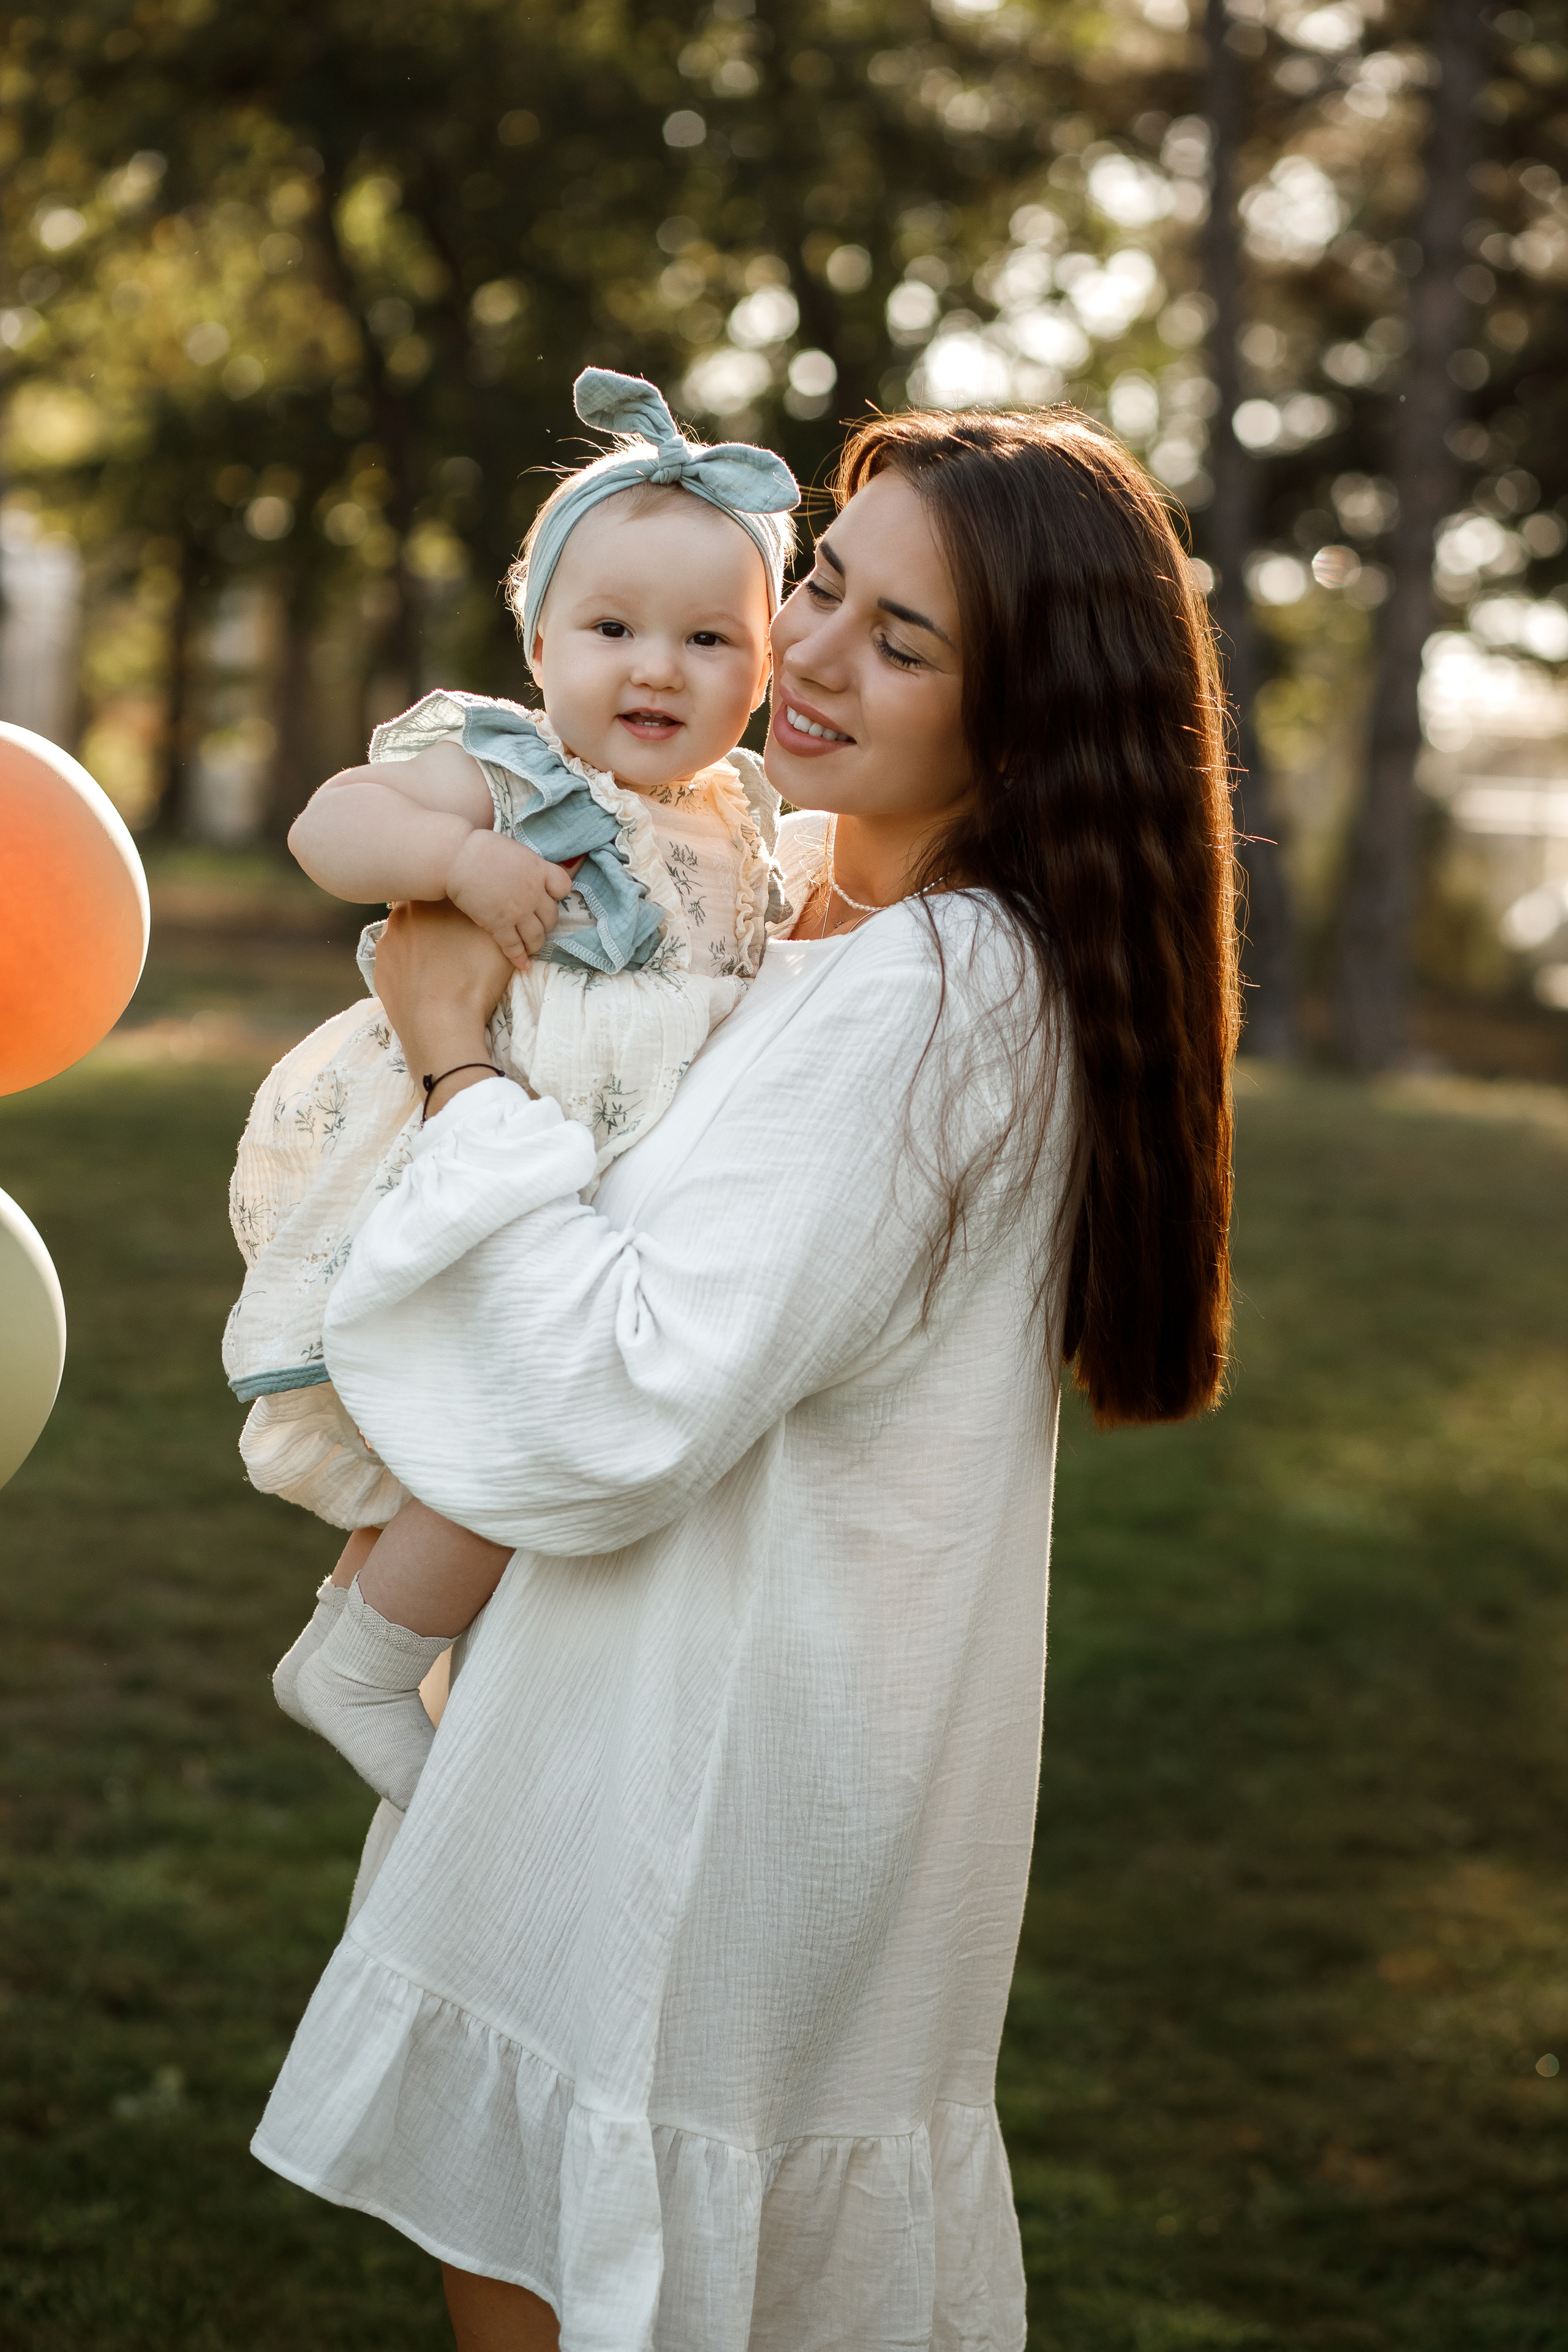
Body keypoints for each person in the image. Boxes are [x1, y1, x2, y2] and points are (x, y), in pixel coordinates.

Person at [251, 404, 1238, 2352]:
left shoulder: (941, 996)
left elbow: (626, 1392)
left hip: (710, 1791)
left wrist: (454, 1065)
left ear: (1026, 708)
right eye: (823, 589)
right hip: (632, 1716)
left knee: (593, 2271)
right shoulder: (795, 919)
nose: (816, 658)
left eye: (909, 640)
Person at [221, 370, 799, 1811]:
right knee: (509, 1427)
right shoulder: (519, 778)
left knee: (468, 1432)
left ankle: (356, 1637)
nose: (654, 669)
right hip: (473, 1151)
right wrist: (456, 864)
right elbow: (329, 824)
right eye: (611, 629)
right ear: (539, 642)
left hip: (579, 1183)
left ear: (765, 674)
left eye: (707, 638)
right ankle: (364, 1660)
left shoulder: (737, 823)